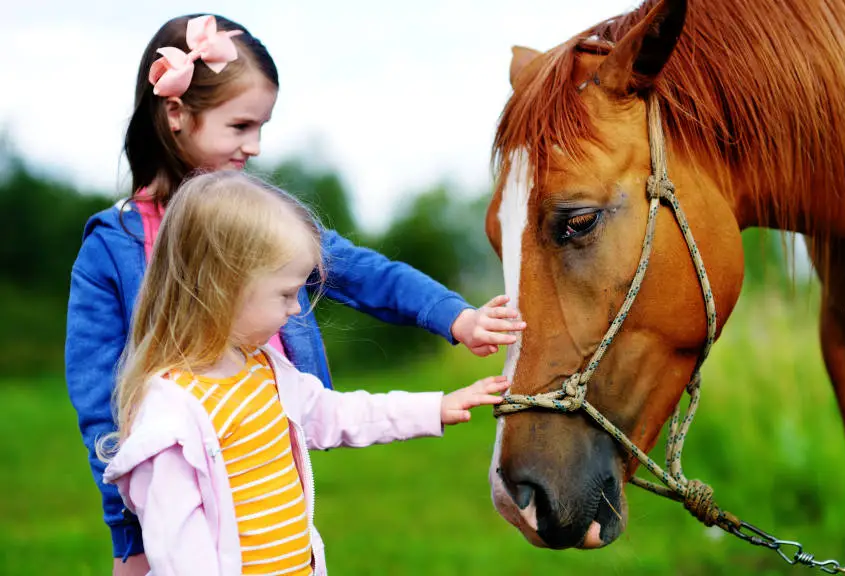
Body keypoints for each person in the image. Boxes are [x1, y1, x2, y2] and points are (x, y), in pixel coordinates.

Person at [64, 14, 524, 575]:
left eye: (262, 127)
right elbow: (100, 403)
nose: (255, 146)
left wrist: (458, 318)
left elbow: (364, 272)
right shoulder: (112, 245)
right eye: (239, 126)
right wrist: (128, 537)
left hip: (266, 457)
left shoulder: (264, 224)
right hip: (183, 483)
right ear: (177, 114)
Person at [100, 170, 510, 575]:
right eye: (284, 293)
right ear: (224, 288)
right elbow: (179, 559)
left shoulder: (266, 371)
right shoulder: (171, 419)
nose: (296, 308)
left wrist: (435, 407)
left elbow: (339, 414)